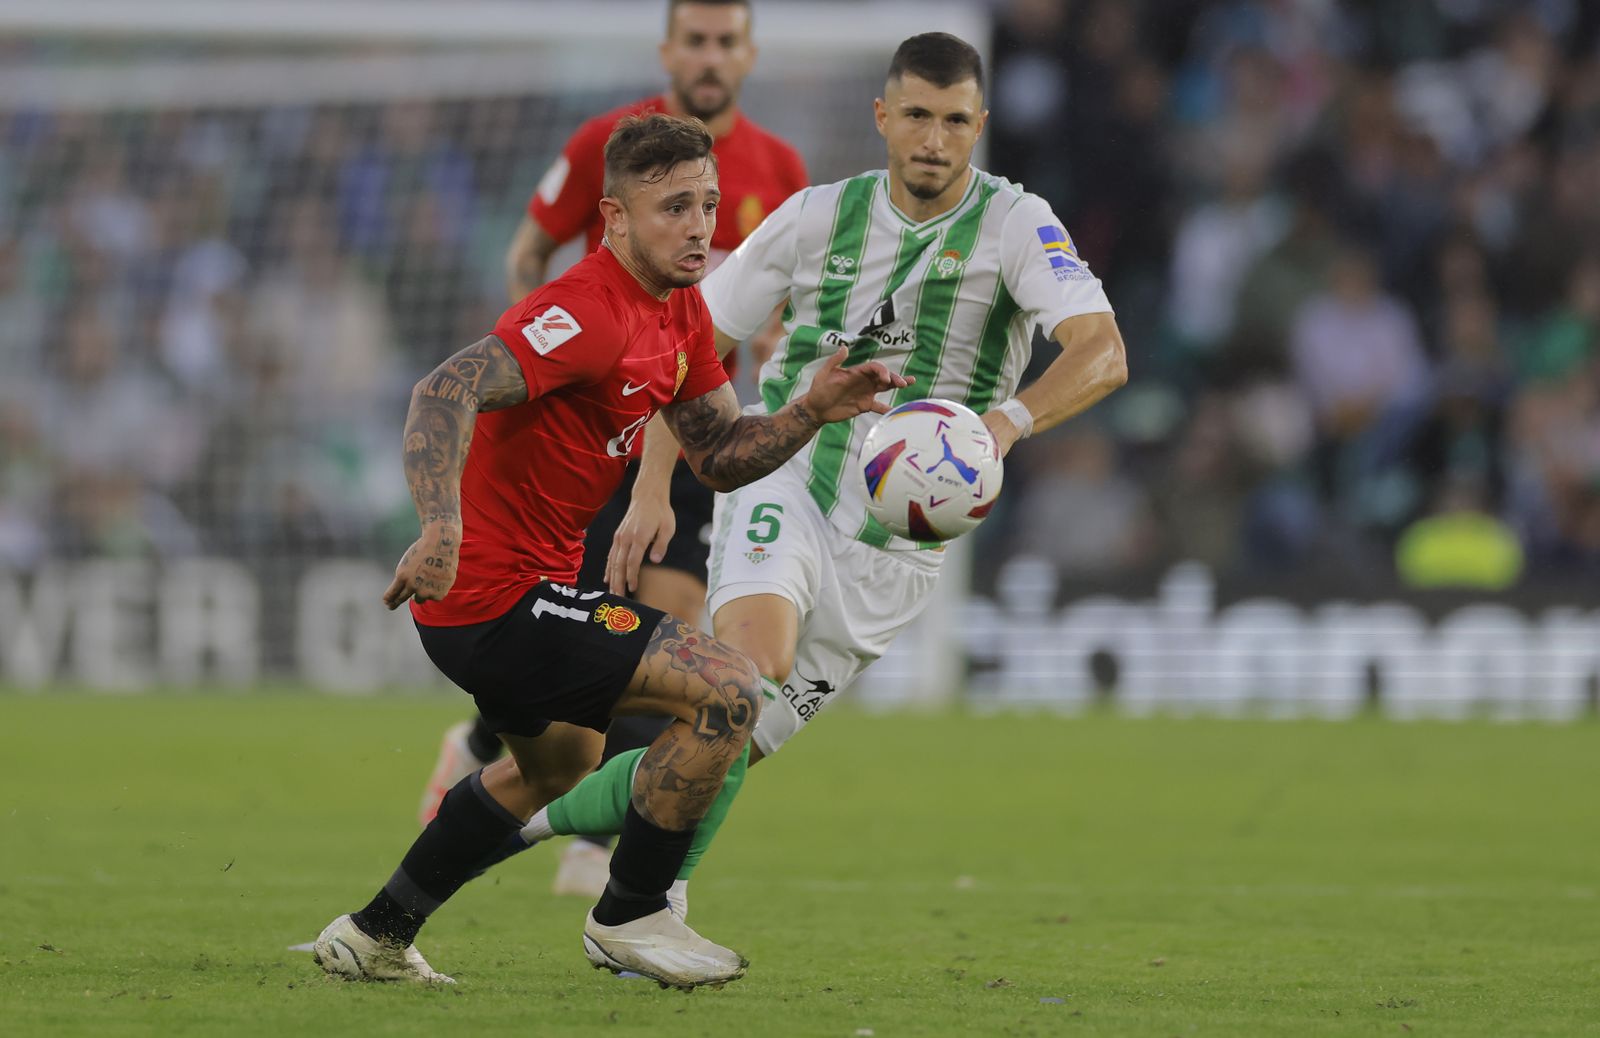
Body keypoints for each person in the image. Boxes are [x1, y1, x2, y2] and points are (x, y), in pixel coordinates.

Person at [499, 32, 1129, 915]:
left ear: (980, 125)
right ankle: (638, 900)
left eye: (954, 121)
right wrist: (651, 487)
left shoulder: (1017, 224)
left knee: (730, 739)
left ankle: (532, 833)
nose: (933, 140)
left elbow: (1103, 352)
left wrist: (999, 427)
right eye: (916, 115)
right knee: (747, 673)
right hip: (787, 477)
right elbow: (689, 345)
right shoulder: (815, 217)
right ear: (882, 117)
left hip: (902, 544)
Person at [312, 114, 909, 988]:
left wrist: (810, 409)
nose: (700, 226)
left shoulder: (681, 312)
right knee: (731, 690)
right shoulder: (587, 311)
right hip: (492, 592)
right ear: (615, 218)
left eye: (708, 204)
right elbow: (444, 388)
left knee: (557, 767)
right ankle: (631, 913)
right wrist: (440, 526)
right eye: (674, 207)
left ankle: (374, 934)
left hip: (527, 589)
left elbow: (718, 454)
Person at [420, 0, 808, 900]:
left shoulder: (780, 167)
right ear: (668, 49)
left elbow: (772, 310)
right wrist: (541, 363)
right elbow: (530, 256)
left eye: (726, 42)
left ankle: (593, 848)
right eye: (695, 41)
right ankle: (514, 775)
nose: (710, 57)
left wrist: (790, 376)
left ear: (748, 54)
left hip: (694, 415)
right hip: (596, 430)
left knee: (660, 633)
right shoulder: (609, 142)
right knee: (615, 648)